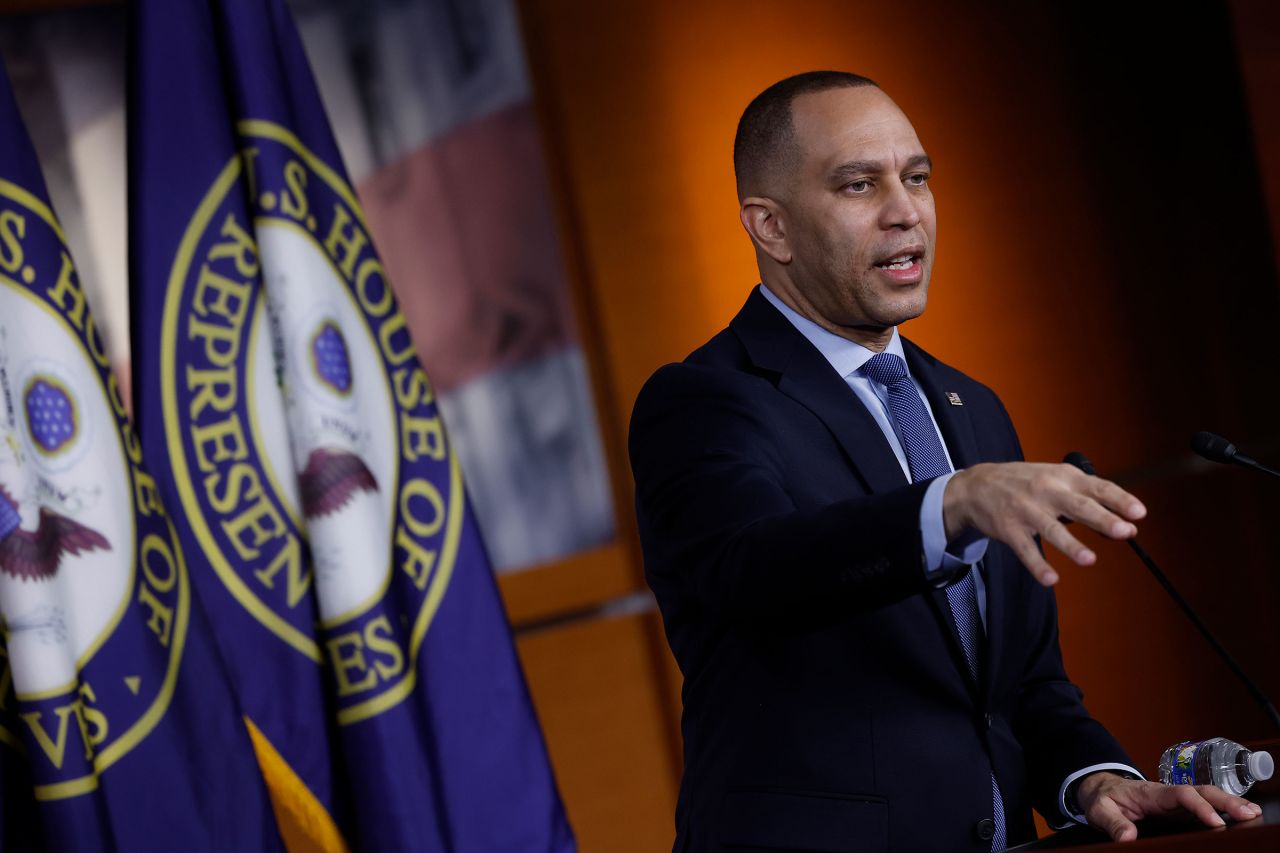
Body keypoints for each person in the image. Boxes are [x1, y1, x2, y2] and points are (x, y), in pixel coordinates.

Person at [628, 71, 1263, 852]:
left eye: (917, 177)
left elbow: (1019, 684)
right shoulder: (704, 400)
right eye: (860, 185)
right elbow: (755, 572)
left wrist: (1095, 780)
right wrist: (948, 506)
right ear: (772, 227)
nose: (906, 210)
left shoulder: (972, 407)